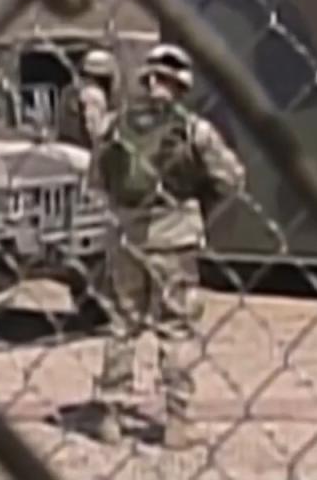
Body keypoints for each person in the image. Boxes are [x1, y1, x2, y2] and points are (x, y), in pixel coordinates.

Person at [89, 43, 245, 450]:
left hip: (125, 237)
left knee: (123, 323)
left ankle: (111, 415)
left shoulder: (112, 125)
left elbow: (96, 182)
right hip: (174, 237)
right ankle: (176, 421)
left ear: (147, 79)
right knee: (176, 328)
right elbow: (231, 178)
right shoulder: (194, 130)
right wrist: (198, 201)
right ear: (182, 85)